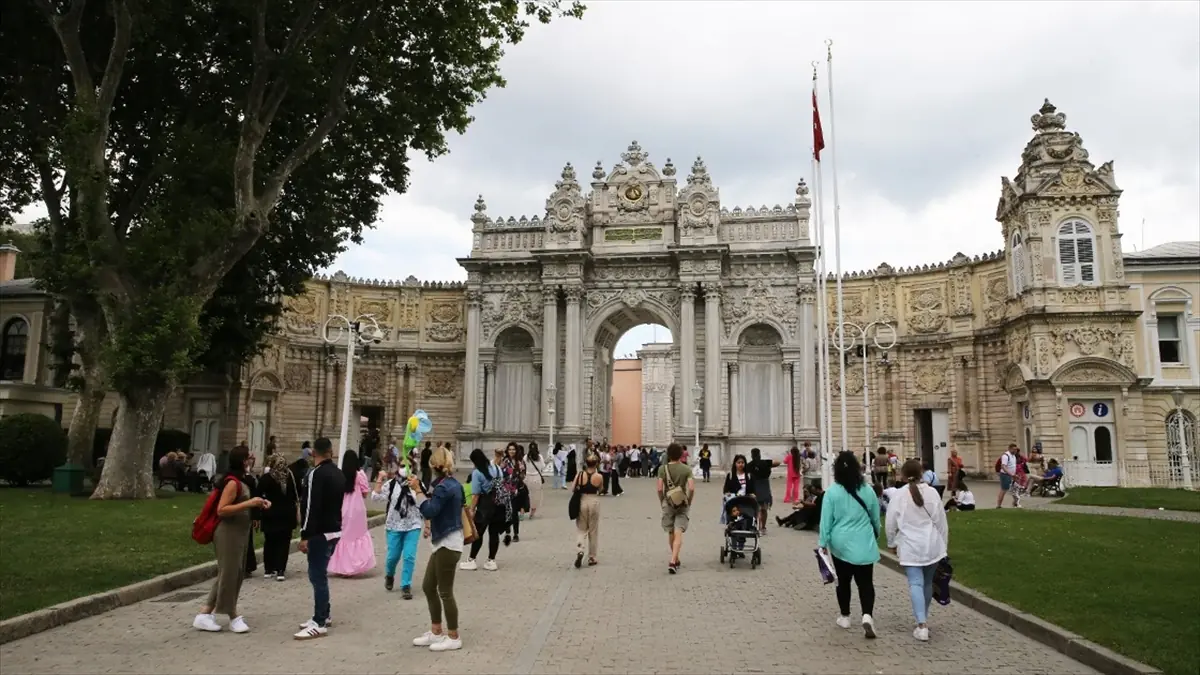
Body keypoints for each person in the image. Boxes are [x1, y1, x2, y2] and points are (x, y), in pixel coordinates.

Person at [193, 446, 266, 633]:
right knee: (229, 574)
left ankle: (205, 613)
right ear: (243, 461)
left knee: (234, 572)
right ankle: (232, 614)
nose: (253, 459)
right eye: (250, 457)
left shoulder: (241, 481)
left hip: (239, 533)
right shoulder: (232, 483)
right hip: (228, 533)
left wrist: (258, 504)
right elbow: (222, 510)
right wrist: (250, 503)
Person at [818, 451, 882, 640]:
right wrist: (876, 534)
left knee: (843, 581)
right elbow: (875, 516)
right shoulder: (868, 490)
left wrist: (822, 542)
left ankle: (845, 616)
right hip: (863, 540)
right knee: (866, 582)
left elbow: (825, 521)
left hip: (841, 543)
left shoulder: (831, 492)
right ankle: (867, 615)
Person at [886, 459, 950, 642]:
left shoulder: (898, 496)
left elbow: (891, 523)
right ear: (921, 473)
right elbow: (941, 522)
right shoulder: (932, 493)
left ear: (903, 475)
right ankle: (923, 618)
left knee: (916, 583)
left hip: (910, 545)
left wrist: (891, 542)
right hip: (931, 544)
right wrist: (944, 544)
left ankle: (921, 623)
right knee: (927, 583)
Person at [411, 445, 465, 652]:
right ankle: (436, 631)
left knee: (445, 591)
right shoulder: (451, 484)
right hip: (446, 541)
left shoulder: (444, 487)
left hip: (448, 543)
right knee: (428, 586)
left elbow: (430, 511)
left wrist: (417, 491)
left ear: (434, 465)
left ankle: (453, 635)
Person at [294, 437, 345, 640]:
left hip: (320, 531)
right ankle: (325, 612)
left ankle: (320, 621)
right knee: (320, 574)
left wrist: (305, 534)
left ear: (314, 452)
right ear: (330, 451)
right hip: (334, 529)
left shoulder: (317, 474)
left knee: (317, 576)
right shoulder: (338, 473)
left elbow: (310, 506)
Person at [371, 467, 427, 599]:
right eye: (402, 464)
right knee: (392, 557)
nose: (405, 468)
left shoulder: (418, 483)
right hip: (394, 525)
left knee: (409, 556)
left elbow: (424, 503)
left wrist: (428, 525)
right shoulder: (391, 484)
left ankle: (406, 585)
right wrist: (379, 479)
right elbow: (375, 497)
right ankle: (389, 574)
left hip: (413, 525)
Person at [326, 450, 376, 576]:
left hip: (343, 508)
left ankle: (342, 566)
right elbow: (365, 493)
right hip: (357, 509)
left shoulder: (339, 475)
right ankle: (355, 565)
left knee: (343, 537)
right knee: (357, 536)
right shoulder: (360, 475)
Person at [258, 453, 299, 580]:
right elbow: (296, 495)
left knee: (270, 541)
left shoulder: (266, 478)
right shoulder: (291, 477)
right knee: (284, 542)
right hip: (287, 514)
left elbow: (258, 494)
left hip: (270, 514)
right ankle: (281, 569)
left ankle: (268, 569)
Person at [461, 449, 503, 571]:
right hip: (498, 504)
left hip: (485, 505)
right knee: (494, 534)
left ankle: (472, 559)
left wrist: (471, 510)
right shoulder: (496, 468)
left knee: (478, 533)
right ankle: (491, 560)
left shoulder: (477, 473)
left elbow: (476, 495)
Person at [656, 442, 695, 574]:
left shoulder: (662, 469)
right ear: (681, 454)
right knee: (678, 531)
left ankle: (675, 558)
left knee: (671, 532)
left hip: (668, 503)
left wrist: (662, 500)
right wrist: (689, 500)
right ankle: (674, 560)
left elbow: (659, 488)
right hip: (682, 503)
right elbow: (691, 487)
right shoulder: (686, 469)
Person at [573, 452, 604, 568]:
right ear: (596, 464)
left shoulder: (580, 475)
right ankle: (592, 557)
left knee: (581, 529)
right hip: (594, 501)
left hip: (582, 500)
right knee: (593, 530)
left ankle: (580, 549)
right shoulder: (599, 476)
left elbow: (573, 488)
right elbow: (601, 489)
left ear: (586, 463)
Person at [747, 448, 781, 535]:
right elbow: (778, 462)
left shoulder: (750, 465)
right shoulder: (765, 462)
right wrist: (769, 465)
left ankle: (756, 526)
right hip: (765, 485)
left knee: (756, 507)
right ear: (760, 454)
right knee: (764, 507)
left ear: (752, 455)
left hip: (754, 485)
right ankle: (763, 527)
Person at [996, 443, 1021, 508]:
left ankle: (1015, 503)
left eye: (1016, 449)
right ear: (1009, 449)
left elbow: (1012, 466)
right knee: (1004, 489)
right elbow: (1003, 467)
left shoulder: (1014, 456)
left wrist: (1014, 475)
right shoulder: (1006, 456)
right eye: (1013, 449)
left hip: (1012, 475)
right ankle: (999, 505)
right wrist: (1011, 474)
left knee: (1015, 489)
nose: (1015, 451)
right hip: (1005, 475)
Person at [525, 445, 546, 518]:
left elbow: (523, 467)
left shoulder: (526, 457)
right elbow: (543, 466)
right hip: (536, 477)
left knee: (527, 495)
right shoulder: (539, 457)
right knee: (536, 496)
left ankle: (523, 510)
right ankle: (532, 512)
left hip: (527, 477)